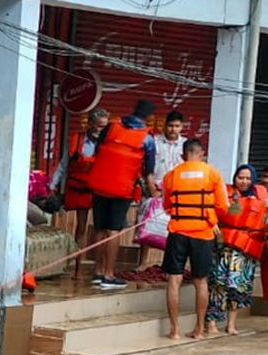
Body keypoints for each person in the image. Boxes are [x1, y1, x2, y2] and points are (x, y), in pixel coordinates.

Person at [87, 99, 158, 290]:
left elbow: (97, 151)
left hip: (99, 184)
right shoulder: (147, 139)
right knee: (113, 230)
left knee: (100, 228)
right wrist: (154, 193)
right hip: (122, 189)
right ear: (148, 117)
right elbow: (149, 172)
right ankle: (109, 275)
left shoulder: (111, 127)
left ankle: (98, 272)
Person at [160, 139, 228, 340]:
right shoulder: (212, 174)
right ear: (202, 154)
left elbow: (166, 206)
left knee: (174, 280)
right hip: (203, 234)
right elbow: (223, 207)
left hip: (178, 232)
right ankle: (199, 329)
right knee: (201, 281)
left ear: (183, 155)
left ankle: (174, 330)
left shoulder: (171, 176)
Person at [210, 164, 268, 335]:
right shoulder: (225, 194)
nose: (244, 181)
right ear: (235, 178)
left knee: (238, 287)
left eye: (248, 178)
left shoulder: (263, 197)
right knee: (218, 284)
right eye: (240, 177)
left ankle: (231, 324)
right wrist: (212, 223)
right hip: (225, 248)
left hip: (247, 250)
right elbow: (212, 210)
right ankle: (211, 323)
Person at [51, 107, 109, 277]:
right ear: (90, 124)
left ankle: (100, 268)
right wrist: (52, 185)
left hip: (101, 190)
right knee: (81, 227)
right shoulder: (77, 140)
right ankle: (77, 268)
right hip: (81, 189)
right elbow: (63, 165)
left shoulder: (109, 143)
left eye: (105, 126)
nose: (102, 130)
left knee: (102, 229)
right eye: (99, 126)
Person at [139, 110, 186, 268]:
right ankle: (142, 263)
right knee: (147, 224)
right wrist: (152, 187)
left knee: (173, 230)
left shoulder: (186, 145)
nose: (173, 129)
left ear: (182, 127)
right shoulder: (154, 141)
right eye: (171, 126)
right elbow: (146, 166)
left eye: (177, 126)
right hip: (153, 190)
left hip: (176, 193)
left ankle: (169, 266)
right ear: (165, 125)